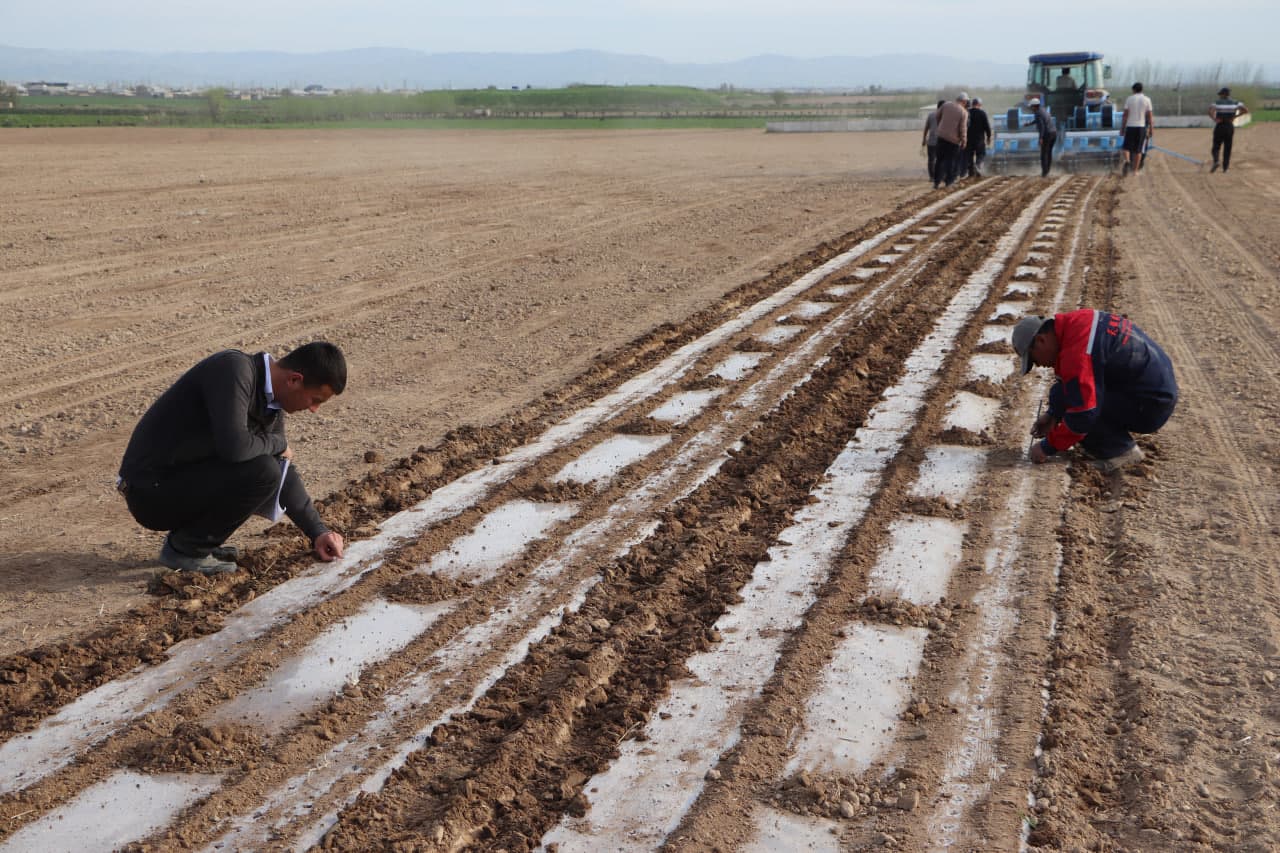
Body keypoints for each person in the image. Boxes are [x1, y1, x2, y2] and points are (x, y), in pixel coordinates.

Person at [118, 342, 348, 574]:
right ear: (294, 380)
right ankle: (186, 550)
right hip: (150, 491)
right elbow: (235, 447)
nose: (314, 409)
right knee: (262, 471)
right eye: (316, 399)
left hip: (176, 482)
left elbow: (283, 469)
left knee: (267, 467)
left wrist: (318, 532)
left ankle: (194, 540)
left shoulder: (270, 403)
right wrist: (279, 443)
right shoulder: (234, 370)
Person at [1011, 310, 1177, 473]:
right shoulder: (1075, 324)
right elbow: (1066, 387)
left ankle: (1122, 452)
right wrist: (1053, 414)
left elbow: (1083, 415)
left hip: (1151, 404)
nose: (1038, 365)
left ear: (1041, 340)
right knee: (1063, 392)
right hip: (1152, 388)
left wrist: (1047, 447)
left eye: (1034, 359)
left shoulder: (1076, 353)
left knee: (1081, 408)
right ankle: (1114, 442)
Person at [1208, 86, 1249, 173]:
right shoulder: (1236, 103)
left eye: (1220, 94)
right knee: (1228, 147)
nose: (1219, 96)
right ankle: (1225, 168)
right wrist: (1235, 116)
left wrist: (1215, 119)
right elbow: (1245, 110)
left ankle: (1216, 161)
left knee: (1216, 146)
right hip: (1229, 126)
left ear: (1223, 94)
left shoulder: (1217, 102)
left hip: (1220, 125)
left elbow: (1210, 111)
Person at [934, 92, 970, 188]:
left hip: (941, 137)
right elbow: (963, 128)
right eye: (966, 102)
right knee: (951, 161)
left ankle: (936, 182)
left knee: (939, 160)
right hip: (953, 140)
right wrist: (964, 141)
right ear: (964, 101)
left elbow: (937, 116)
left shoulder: (946, 105)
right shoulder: (964, 112)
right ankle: (949, 182)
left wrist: (940, 127)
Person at [1120, 82, 1154, 177]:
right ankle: (1135, 171)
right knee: (1138, 150)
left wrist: (1122, 128)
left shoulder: (1129, 99)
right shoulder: (1147, 100)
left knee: (1126, 147)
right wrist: (1151, 129)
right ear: (1142, 90)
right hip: (1141, 127)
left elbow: (1125, 115)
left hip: (1130, 126)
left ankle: (1127, 161)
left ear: (1133, 90)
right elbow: (1150, 117)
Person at [1029, 98, 1057, 177]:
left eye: (1031, 106)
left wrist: (1041, 138)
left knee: (1043, 154)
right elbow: (1039, 121)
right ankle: (1047, 171)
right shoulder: (1043, 110)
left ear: (1035, 106)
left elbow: (1042, 126)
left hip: (1047, 134)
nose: (1031, 108)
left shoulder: (1037, 113)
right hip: (1054, 133)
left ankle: (1044, 173)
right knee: (1049, 153)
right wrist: (1029, 124)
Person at [965, 96, 992, 178]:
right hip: (979, 139)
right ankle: (978, 166)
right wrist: (988, 137)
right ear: (979, 104)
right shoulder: (982, 113)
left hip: (968, 138)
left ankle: (970, 172)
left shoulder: (967, 112)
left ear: (972, 104)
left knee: (969, 155)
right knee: (981, 154)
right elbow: (987, 126)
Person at [922, 100, 945, 184]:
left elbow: (926, 128)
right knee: (941, 159)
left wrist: (924, 139)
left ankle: (932, 177)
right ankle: (941, 176)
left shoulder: (931, 115)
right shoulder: (945, 116)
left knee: (931, 160)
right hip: (942, 141)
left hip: (931, 141)